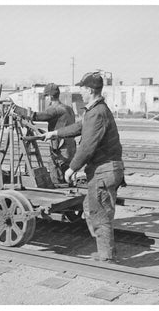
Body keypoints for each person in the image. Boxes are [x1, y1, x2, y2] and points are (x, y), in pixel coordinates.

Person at [42, 73, 125, 262]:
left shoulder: (97, 112)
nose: (80, 93)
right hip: (106, 169)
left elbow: (87, 145)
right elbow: (79, 127)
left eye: (82, 89)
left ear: (89, 90)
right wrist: (55, 133)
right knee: (91, 206)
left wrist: (72, 168)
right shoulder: (95, 111)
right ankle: (107, 251)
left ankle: (106, 258)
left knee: (99, 212)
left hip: (104, 171)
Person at [30, 83, 76, 184]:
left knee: (56, 172)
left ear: (50, 96)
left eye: (46, 97)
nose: (45, 99)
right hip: (71, 147)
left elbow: (37, 116)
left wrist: (17, 110)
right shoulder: (69, 109)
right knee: (67, 176)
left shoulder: (55, 109)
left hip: (61, 149)